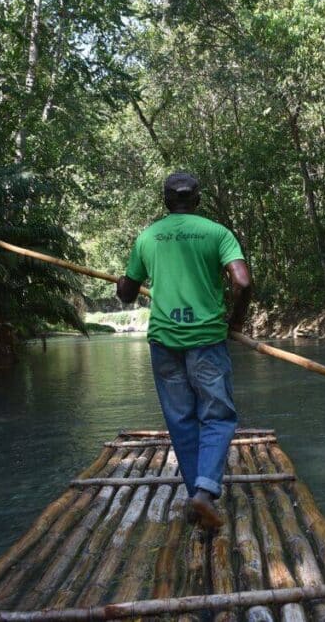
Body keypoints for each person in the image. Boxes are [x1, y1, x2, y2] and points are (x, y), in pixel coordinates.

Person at [116, 172, 252, 529]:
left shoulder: (147, 237)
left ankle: (197, 494)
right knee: (217, 417)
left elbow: (127, 294)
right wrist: (236, 321)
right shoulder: (217, 233)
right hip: (207, 340)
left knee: (182, 421)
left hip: (165, 343)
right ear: (198, 200)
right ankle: (205, 494)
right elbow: (241, 281)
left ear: (165, 201)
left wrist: (123, 283)